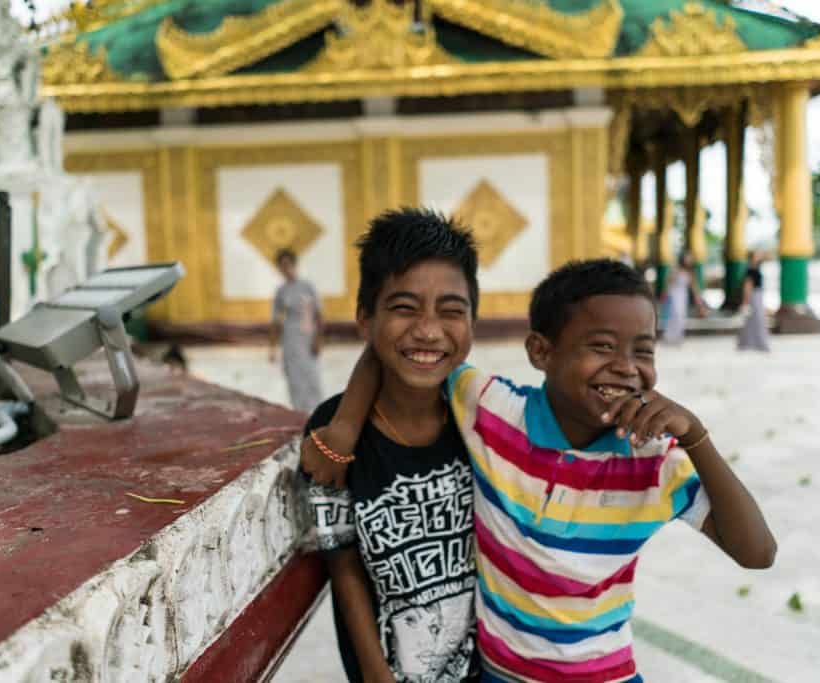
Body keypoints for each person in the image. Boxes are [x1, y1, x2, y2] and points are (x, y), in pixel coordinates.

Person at [305, 258, 777, 682]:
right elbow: (402, 348)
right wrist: (344, 426)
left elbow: (757, 552)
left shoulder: (652, 463)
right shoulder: (491, 410)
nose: (626, 368)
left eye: (644, 351)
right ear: (541, 352)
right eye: (602, 346)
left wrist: (696, 436)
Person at [303, 208, 481, 683]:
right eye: (404, 308)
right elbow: (343, 564)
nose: (428, 330)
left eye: (451, 311)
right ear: (365, 319)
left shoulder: (483, 416)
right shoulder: (331, 431)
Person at [270, 249, 324, 413]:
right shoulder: (281, 291)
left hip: (308, 338)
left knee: (312, 378)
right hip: (290, 340)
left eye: (288, 264)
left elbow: (319, 315)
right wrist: (272, 348)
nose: (285, 269)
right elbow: (276, 322)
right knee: (294, 380)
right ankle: (300, 415)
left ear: (294, 264)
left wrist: (318, 340)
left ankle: (317, 415)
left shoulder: (308, 287)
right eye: (282, 266)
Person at [661, 250, 707, 344]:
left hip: (683, 295)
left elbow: (694, 288)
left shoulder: (691, 272)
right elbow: (668, 283)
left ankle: (678, 336)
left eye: (690, 258)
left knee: (681, 315)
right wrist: (665, 294)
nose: (689, 260)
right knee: (674, 314)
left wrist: (700, 303)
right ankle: (670, 336)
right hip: (673, 294)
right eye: (687, 258)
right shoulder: (675, 269)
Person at [737, 251, 770, 352]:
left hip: (758, 296)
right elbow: (747, 287)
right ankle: (758, 343)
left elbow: (768, 256)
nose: (759, 257)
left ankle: (749, 343)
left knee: (753, 320)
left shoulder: (756, 268)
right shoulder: (750, 270)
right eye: (757, 255)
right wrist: (746, 301)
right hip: (753, 297)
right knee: (758, 319)